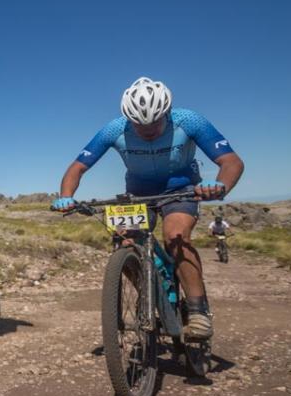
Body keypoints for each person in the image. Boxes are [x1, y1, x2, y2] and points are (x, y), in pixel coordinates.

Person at [52, 77, 245, 339]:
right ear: (128, 118)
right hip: (138, 194)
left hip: (181, 189)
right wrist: (66, 196)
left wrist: (220, 185)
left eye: (155, 122)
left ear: (167, 112)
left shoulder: (189, 120)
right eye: (139, 124)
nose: (148, 129)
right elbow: (77, 168)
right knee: (125, 243)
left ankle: (198, 311)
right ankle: (151, 295)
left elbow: (231, 161)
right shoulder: (114, 129)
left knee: (175, 236)